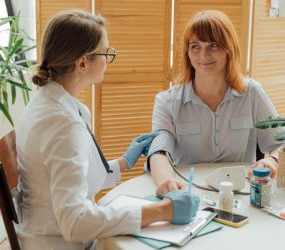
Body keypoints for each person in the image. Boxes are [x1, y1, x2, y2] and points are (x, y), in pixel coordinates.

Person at [14, 10, 199, 250]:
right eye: (106, 52)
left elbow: (69, 179)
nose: (109, 58)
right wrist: (163, 211)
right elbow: (75, 223)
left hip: (46, 231)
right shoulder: (62, 124)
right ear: (82, 63)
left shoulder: (49, 102)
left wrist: (122, 163)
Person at [147, 10, 285, 197]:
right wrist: (166, 181)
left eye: (214, 45)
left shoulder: (252, 93)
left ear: (229, 49)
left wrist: (272, 161)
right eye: (195, 46)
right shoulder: (167, 101)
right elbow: (158, 152)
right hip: (188, 192)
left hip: (240, 194)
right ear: (187, 52)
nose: (203, 54)